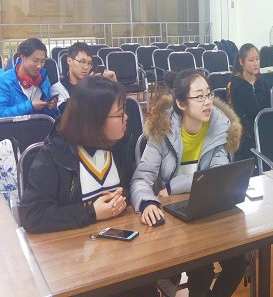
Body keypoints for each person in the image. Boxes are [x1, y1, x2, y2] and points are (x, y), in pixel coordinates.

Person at [19, 76, 157, 296]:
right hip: (74, 267)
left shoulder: (118, 145)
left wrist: (127, 198)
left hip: (121, 257)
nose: (126, 118)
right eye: (119, 113)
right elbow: (32, 216)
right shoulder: (55, 155)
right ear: (96, 120)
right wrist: (92, 212)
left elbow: (129, 184)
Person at [130, 69, 245, 297]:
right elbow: (141, 179)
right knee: (201, 268)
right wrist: (147, 203)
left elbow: (216, 175)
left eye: (209, 94)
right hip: (172, 217)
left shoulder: (218, 126)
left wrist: (175, 186)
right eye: (199, 97)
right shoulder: (163, 130)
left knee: (238, 263)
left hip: (204, 210)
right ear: (181, 103)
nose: (207, 102)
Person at [227, 43, 271, 161]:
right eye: (251, 60)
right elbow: (237, 117)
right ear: (242, 62)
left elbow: (268, 112)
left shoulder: (263, 82)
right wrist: (255, 134)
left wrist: (265, 132)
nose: (255, 63)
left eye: (257, 59)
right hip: (245, 136)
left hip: (263, 131)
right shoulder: (234, 84)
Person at [0, 38, 59, 118]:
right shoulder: (4, 80)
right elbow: (1, 113)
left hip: (38, 125)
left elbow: (47, 116)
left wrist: (50, 109)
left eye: (42, 61)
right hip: (13, 126)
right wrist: (30, 106)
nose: (39, 66)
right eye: (35, 61)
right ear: (22, 57)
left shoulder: (44, 78)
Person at [50, 42, 117, 112]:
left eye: (89, 63)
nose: (86, 67)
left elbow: (113, 107)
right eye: (82, 62)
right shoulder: (57, 89)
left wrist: (113, 84)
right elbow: (68, 112)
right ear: (69, 61)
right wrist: (86, 87)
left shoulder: (95, 84)